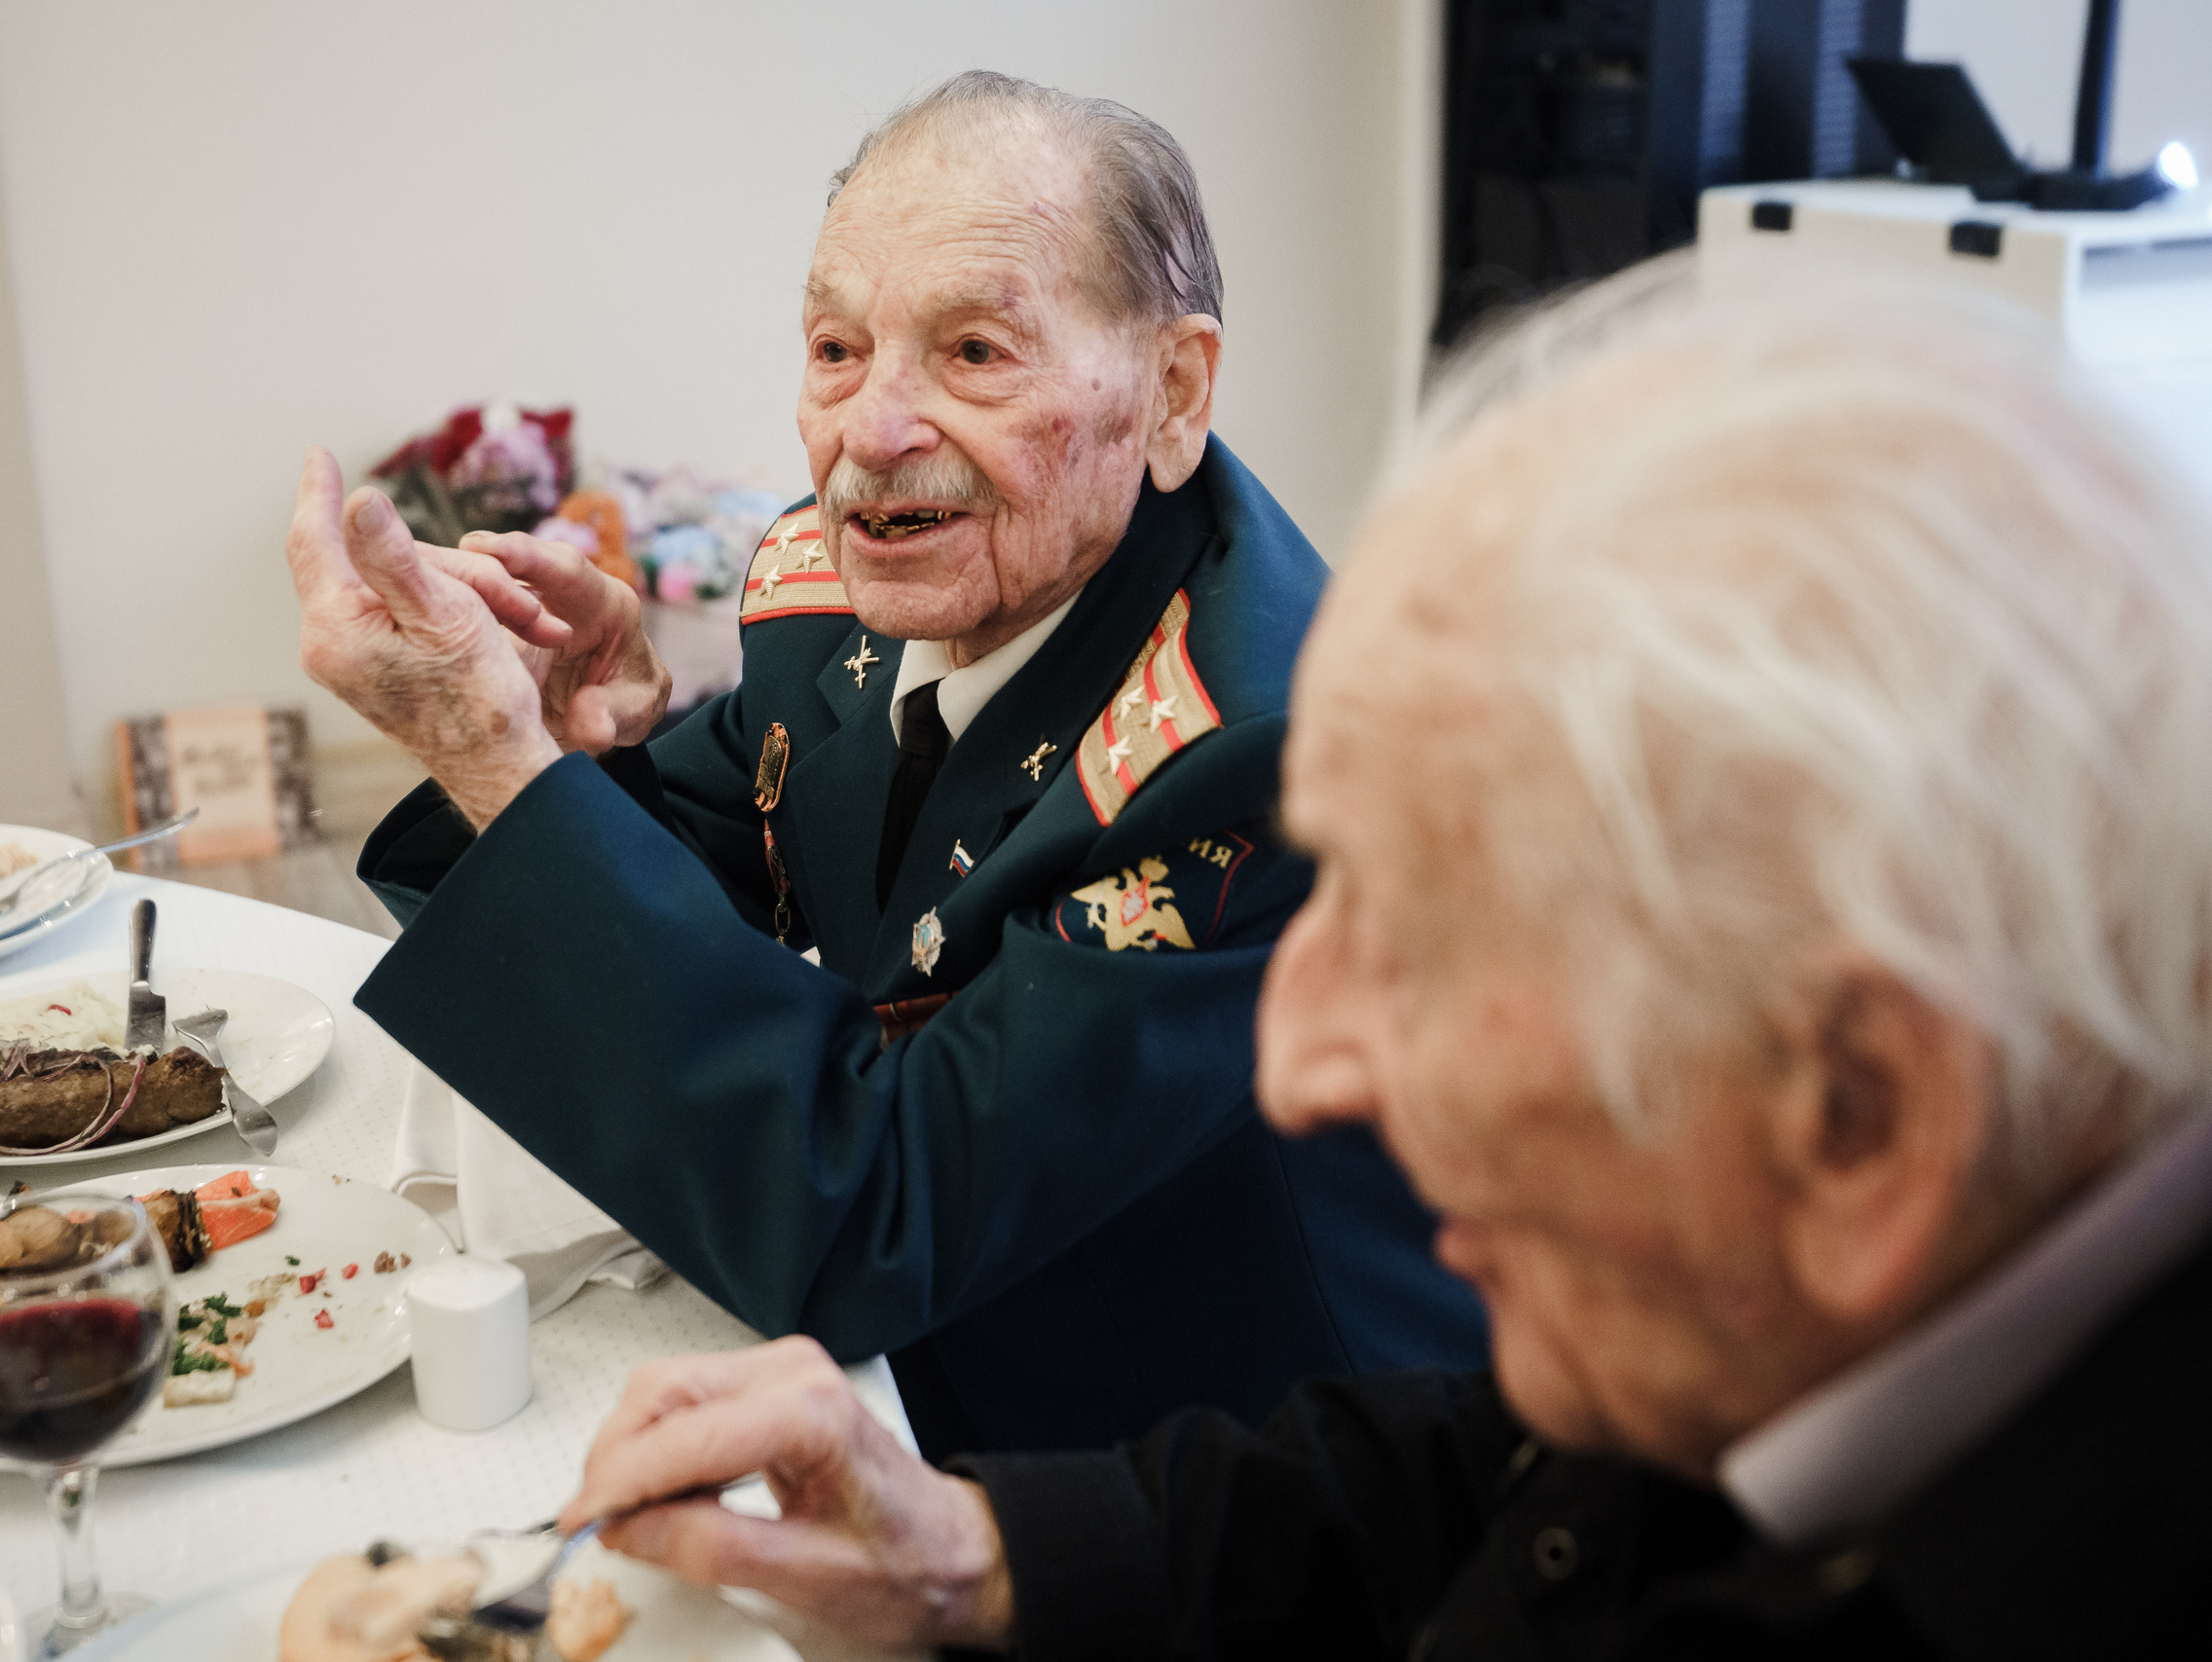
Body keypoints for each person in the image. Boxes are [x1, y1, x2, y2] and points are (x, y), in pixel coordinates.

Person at [541, 262, 2212, 1656]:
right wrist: (967, 1545)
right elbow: (1515, 1474)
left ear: (1858, 1118)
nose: (1300, 1059)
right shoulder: (1778, 1311)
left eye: (1420, 938)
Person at [285, 71, 1484, 1461]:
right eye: (838, 348)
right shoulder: (847, 587)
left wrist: (502, 764)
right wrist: (561, 754)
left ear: (1172, 389)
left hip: (1216, 1473)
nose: (871, 433)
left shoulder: (1261, 753)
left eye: (975, 352)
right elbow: (716, 887)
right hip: (937, 1355)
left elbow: (874, 1207)